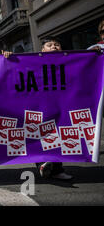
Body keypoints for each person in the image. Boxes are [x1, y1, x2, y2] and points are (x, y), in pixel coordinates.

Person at [36, 36, 73, 180]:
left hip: (62, 107)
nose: (53, 47)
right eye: (49, 45)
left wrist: (95, 53)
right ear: (42, 49)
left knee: (59, 137)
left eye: (57, 44)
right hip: (41, 108)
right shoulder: (33, 63)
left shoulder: (69, 62)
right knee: (41, 137)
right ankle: (42, 163)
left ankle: (57, 170)